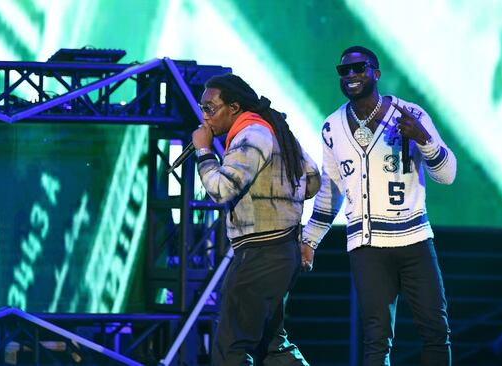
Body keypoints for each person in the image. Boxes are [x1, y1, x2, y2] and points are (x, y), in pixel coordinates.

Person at [300, 46, 456, 365]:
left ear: (376, 73)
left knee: (436, 331)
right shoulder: (332, 127)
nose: (352, 75)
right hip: (367, 245)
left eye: (359, 68)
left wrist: (425, 139)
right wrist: (309, 240)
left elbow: (448, 175)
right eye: (345, 71)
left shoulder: (410, 115)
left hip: (414, 240)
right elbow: (331, 190)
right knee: (376, 338)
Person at [191, 73, 320, 366]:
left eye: (210, 108)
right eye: (202, 108)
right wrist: (279, 194)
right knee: (272, 346)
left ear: (233, 107)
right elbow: (312, 181)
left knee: (231, 348)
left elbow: (221, 190)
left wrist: (203, 151)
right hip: (281, 252)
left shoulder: (250, 135)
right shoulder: (271, 130)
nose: (205, 116)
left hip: (260, 254)